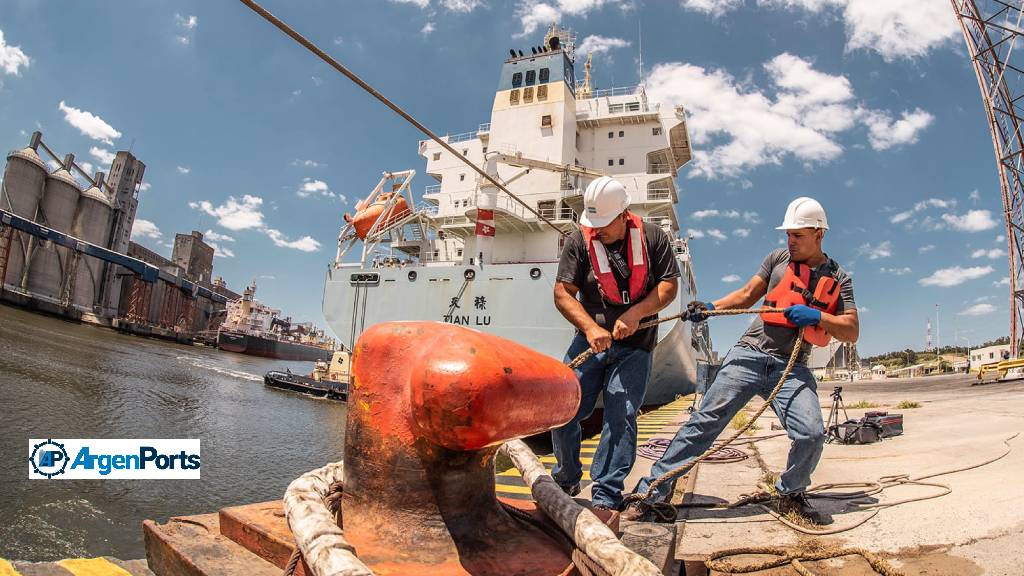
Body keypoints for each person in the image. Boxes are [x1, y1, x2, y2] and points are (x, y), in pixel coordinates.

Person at [624, 197, 859, 524]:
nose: (790, 241)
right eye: (788, 234)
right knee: (703, 424)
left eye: (798, 235)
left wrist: (817, 315)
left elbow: (851, 331)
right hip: (749, 355)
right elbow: (748, 294)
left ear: (819, 234)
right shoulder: (778, 259)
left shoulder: (839, 278)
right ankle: (653, 494)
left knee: (811, 433)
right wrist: (710, 307)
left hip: (792, 369)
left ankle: (790, 492)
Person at [551, 176, 680, 511]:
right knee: (564, 408)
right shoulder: (580, 242)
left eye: (604, 225)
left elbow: (668, 287)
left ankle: (606, 495)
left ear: (624, 215)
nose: (598, 231)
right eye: (593, 224)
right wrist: (591, 328)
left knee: (620, 414)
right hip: (589, 342)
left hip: (635, 347)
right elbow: (563, 294)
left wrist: (637, 313)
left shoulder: (654, 238)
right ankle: (566, 476)